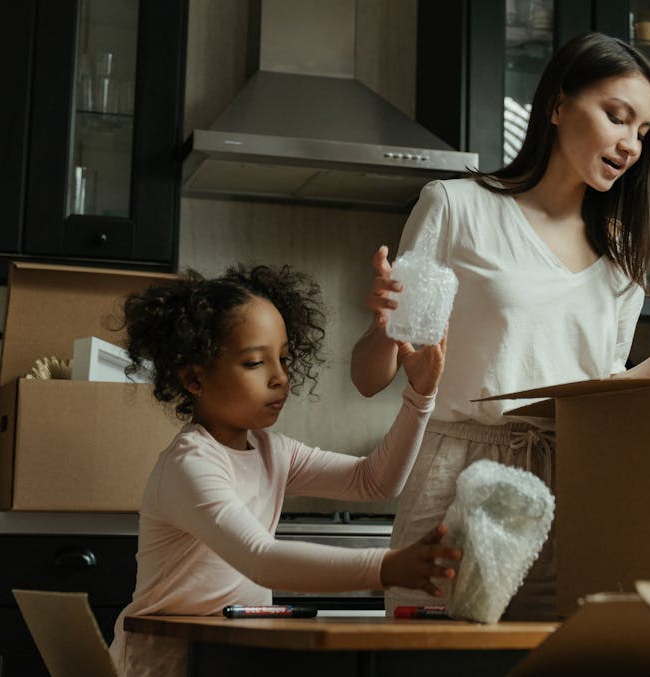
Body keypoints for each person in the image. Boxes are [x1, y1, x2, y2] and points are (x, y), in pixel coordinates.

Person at [351, 31, 650, 619]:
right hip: (458, 477)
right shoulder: (457, 207)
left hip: (572, 491)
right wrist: (385, 326)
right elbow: (369, 378)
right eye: (617, 117)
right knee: (434, 666)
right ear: (557, 106)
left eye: (643, 133)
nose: (631, 145)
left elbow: (599, 388)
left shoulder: (623, 258)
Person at [109, 264, 460, 677]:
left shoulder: (273, 452)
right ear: (193, 379)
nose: (281, 377)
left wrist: (420, 394)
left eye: (284, 358)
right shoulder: (191, 465)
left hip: (231, 657)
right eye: (256, 363)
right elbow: (262, 559)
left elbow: (375, 481)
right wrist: (384, 567)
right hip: (162, 665)